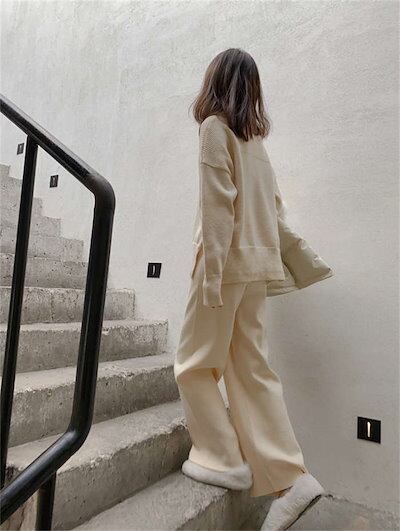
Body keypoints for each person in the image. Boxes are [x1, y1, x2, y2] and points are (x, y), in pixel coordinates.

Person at [173, 48, 333, 531]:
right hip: (254, 273)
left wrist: (211, 277)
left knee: (193, 364)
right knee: (251, 370)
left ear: (214, 81)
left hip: (223, 270)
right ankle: (291, 478)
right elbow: (274, 215)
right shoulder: (255, 143)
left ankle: (222, 457)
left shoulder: (214, 130)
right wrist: (301, 258)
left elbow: (218, 208)